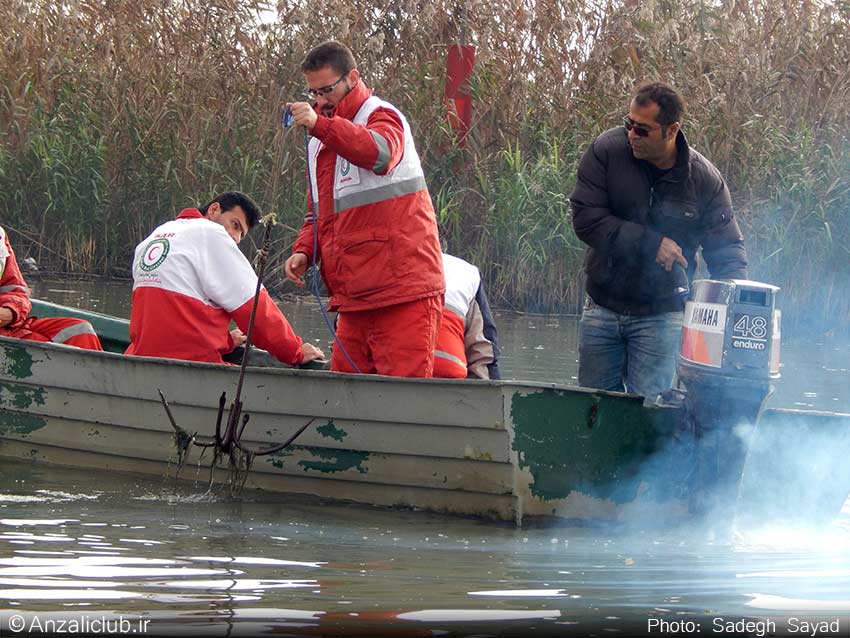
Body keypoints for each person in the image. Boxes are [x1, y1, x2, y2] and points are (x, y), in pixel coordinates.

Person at [569, 82, 748, 401]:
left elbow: (728, 254)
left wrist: (734, 319)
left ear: (672, 130)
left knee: (651, 417)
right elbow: (586, 219)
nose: (631, 135)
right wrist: (652, 243)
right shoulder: (607, 151)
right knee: (593, 413)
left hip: (662, 318)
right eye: (629, 124)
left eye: (642, 129)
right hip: (601, 308)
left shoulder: (703, 179)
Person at [283, 41, 444, 377]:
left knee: (401, 405)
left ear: (353, 78)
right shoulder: (318, 141)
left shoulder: (382, 115)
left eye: (327, 90)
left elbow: (380, 154)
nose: (320, 101)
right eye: (313, 92)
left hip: (403, 293)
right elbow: (320, 213)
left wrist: (320, 126)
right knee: (344, 401)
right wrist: (304, 251)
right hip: (354, 299)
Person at [126, 191, 324, 366]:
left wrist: (227, 342)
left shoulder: (156, 235)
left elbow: (172, 319)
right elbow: (256, 310)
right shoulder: (212, 234)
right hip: (190, 364)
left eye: (241, 234)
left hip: (141, 356)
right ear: (214, 210)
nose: (236, 237)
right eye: (235, 225)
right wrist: (295, 352)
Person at [0, 227, 103, 350]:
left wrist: (11, 311)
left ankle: (97, 369)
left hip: (10, 327)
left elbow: (16, 290)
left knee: (80, 331)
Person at [433, 253, 501, 380]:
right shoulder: (464, 272)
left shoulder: (385, 262)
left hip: (393, 382)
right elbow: (484, 354)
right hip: (451, 383)